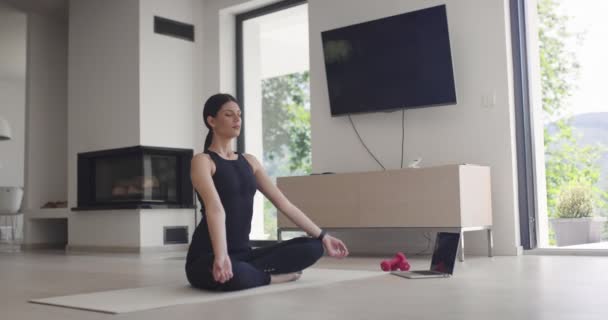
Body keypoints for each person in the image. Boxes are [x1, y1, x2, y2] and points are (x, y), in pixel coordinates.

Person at [186, 93, 349, 292]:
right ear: (211, 121)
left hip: (245, 254)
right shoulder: (203, 161)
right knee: (235, 275)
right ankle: (273, 278)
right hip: (207, 257)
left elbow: (284, 204)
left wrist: (323, 236)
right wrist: (221, 256)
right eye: (229, 115)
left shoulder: (250, 162)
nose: (237, 119)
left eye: (239, 114)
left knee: (313, 247)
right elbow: (215, 209)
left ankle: (250, 272)